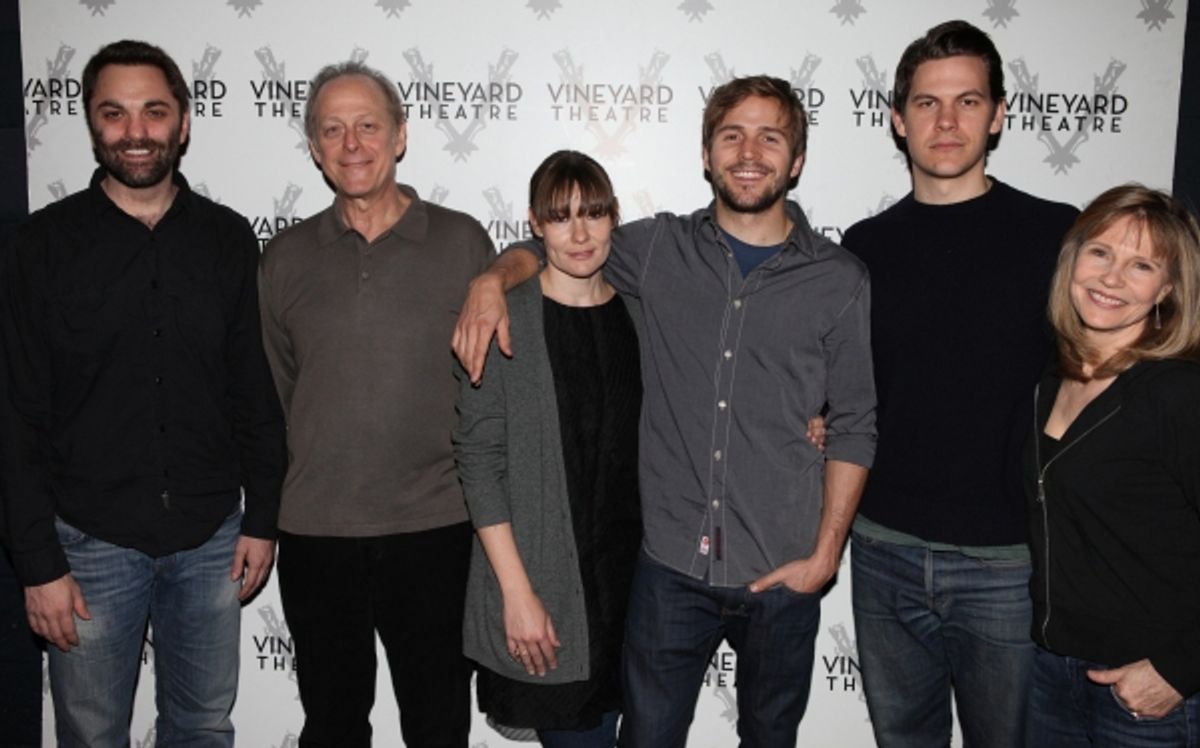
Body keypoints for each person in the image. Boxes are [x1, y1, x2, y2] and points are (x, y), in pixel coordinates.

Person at [454, 75, 876, 748]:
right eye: (731, 134)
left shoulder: (840, 279)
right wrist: (488, 280)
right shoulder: (655, 249)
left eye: (771, 136)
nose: (749, 151)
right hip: (670, 569)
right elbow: (558, 246)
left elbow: (856, 421)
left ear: (795, 160)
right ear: (706, 154)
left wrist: (825, 555)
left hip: (783, 570)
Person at [0, 40, 285, 747]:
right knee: (92, 735)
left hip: (211, 536)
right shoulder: (40, 245)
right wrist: (38, 564)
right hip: (89, 542)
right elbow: (16, 416)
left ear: (183, 123)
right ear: (92, 123)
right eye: (115, 113)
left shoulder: (226, 239)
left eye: (154, 112)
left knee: (203, 728)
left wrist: (262, 518)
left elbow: (252, 389)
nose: (136, 131)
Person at [840, 20, 1078, 747]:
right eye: (927, 103)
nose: (947, 122)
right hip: (882, 548)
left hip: (1008, 562)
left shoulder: (1059, 235)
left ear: (1000, 114)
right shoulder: (863, 246)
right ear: (896, 118)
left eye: (968, 102)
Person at [258, 60, 494, 747]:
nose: (351, 143)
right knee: (331, 726)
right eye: (332, 130)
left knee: (438, 724)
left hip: (438, 530)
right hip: (316, 534)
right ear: (314, 149)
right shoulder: (284, 258)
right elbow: (275, 397)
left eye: (367, 125)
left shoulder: (462, 242)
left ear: (400, 137)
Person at [454, 150, 641, 747]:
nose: (580, 233)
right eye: (561, 217)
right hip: (548, 592)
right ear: (535, 224)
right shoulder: (502, 317)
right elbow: (479, 463)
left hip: (638, 594)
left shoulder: (639, 311)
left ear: (615, 216)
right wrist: (517, 593)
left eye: (594, 213)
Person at [1025, 185, 1200, 746]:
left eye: (1141, 265)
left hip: (1149, 691)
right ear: (1073, 256)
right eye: (1101, 252)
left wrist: (1179, 669)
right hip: (1052, 674)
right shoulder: (1051, 380)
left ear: (1167, 289)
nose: (1112, 278)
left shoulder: (1178, 393)